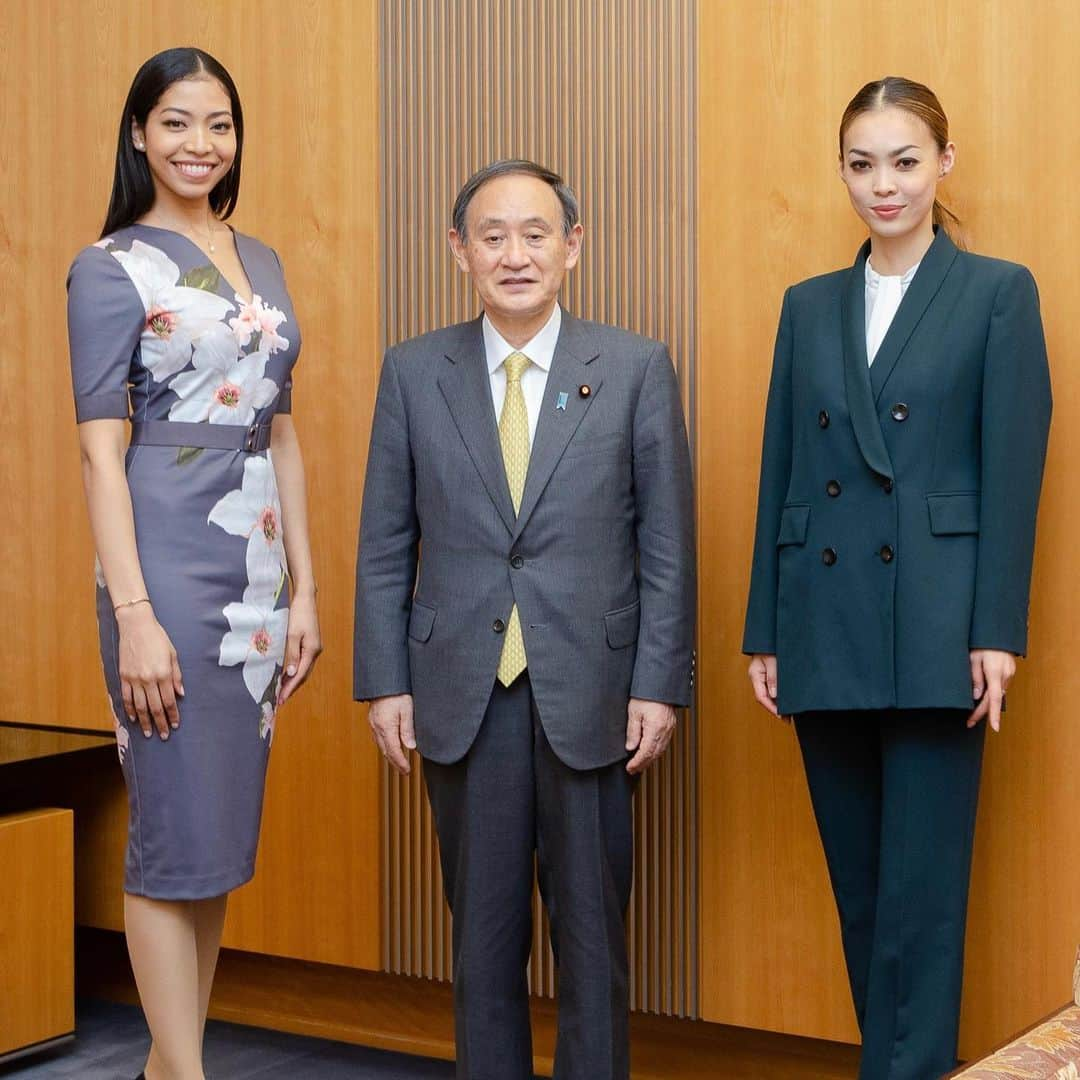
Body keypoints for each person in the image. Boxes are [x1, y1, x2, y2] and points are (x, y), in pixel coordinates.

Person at [354, 159, 695, 1080]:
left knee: (594, 948)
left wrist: (659, 685)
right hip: (462, 696)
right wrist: (385, 680)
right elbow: (386, 542)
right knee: (481, 949)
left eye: (536, 233)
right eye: (493, 235)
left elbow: (667, 546)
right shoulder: (414, 372)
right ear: (459, 250)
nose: (516, 254)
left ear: (572, 247)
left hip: (592, 694)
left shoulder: (633, 368)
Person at [744, 76, 1052, 1079]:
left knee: (921, 900)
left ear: (944, 165)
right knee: (865, 894)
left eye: (905, 162)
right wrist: (765, 627)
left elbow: (1014, 474)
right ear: (842, 171)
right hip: (822, 620)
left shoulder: (998, 292)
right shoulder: (810, 305)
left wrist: (996, 630)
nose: (884, 185)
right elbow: (782, 468)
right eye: (863, 164)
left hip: (936, 623)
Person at [67, 48, 321, 1080]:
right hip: (165, 562)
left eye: (218, 125)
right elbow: (98, 448)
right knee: (173, 828)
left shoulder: (260, 256)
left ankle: (171, 1064)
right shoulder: (108, 264)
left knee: (213, 832)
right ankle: (185, 1074)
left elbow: (285, 429)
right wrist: (132, 611)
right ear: (138, 134)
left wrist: (305, 585)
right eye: (176, 123)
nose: (198, 144)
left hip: (255, 571)